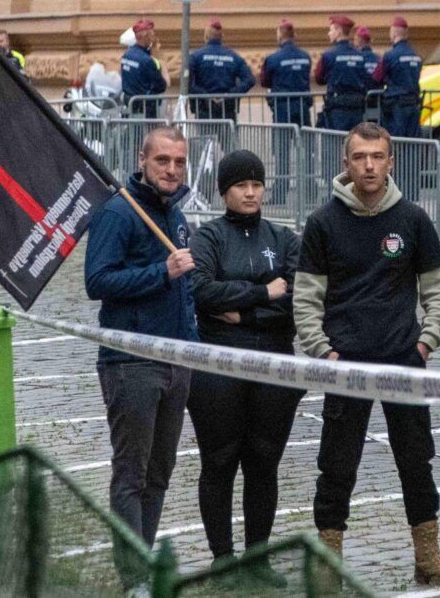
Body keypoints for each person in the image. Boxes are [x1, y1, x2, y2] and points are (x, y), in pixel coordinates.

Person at [293, 122, 440, 587]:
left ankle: (428, 561)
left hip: (402, 363)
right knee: (336, 468)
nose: (369, 165)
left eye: (377, 156)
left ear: (391, 161)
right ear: (345, 164)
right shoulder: (323, 223)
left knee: (417, 462)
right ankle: (328, 569)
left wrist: (425, 343)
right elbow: (306, 298)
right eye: (360, 157)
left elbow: (438, 290)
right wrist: (324, 353)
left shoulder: (413, 219)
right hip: (344, 366)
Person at [84, 126, 197, 593]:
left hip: (177, 359)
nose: (171, 170)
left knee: (159, 474)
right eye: (162, 161)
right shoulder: (119, 212)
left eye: (179, 162)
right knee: (131, 472)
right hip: (131, 360)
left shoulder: (175, 214)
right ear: (142, 160)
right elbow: (97, 281)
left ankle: (143, 563)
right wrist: (161, 272)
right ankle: (132, 578)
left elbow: (186, 291)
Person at [186, 150, 304, 588]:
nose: (250, 192)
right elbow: (202, 291)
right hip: (218, 365)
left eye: (256, 184)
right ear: (225, 192)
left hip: (274, 362)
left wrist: (245, 312)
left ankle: (258, 556)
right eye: (240, 185)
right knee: (219, 461)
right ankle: (222, 558)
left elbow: (296, 299)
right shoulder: (208, 237)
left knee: (263, 462)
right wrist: (262, 293)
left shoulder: (285, 238)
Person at [260, 19, 312, 205]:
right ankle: (310, 192)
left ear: (280, 35)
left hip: (283, 109)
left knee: (282, 153)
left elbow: (264, 81)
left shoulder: (273, 59)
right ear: (293, 35)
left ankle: (280, 194)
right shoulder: (305, 57)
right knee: (307, 151)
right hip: (303, 108)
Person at [315, 15, 368, 192]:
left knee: (332, 149)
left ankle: (335, 188)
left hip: (336, 108)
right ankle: (355, 186)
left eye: (331, 30)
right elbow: (366, 78)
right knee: (356, 148)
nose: (329, 33)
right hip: (357, 108)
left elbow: (319, 77)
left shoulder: (329, 55)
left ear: (338, 31)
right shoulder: (360, 56)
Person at [373, 16, 424, 201]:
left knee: (395, 148)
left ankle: (397, 190)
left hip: (396, 107)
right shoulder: (416, 55)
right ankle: (413, 191)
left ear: (394, 33)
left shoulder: (390, 56)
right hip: (413, 105)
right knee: (413, 147)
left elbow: (377, 77)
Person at [187, 19, 256, 128]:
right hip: (227, 110)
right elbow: (250, 80)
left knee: (205, 138)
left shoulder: (196, 56)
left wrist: (204, 95)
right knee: (227, 139)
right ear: (222, 36)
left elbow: (187, 82)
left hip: (204, 110)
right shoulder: (233, 56)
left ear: (206, 36)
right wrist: (230, 94)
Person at [120, 19, 169, 118]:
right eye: (152, 35)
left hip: (130, 104)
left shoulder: (126, 55)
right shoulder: (147, 61)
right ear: (146, 36)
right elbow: (161, 86)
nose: (153, 38)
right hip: (146, 108)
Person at [354, 26, 380, 92]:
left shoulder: (356, 58)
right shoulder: (378, 58)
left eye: (355, 39)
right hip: (377, 94)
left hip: (360, 94)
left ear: (359, 40)